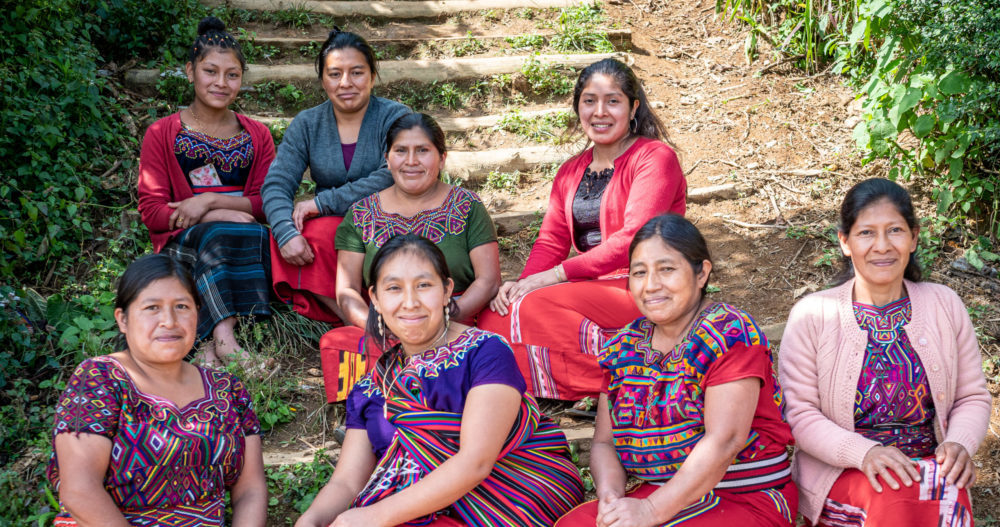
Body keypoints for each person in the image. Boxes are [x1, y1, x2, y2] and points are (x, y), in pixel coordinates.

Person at [295, 234, 583, 527]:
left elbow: (476, 462)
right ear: (376, 300)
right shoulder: (371, 387)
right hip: (413, 512)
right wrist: (312, 520)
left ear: (447, 291)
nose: (410, 302)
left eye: (424, 285)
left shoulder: (485, 352)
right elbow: (345, 483)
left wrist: (370, 517)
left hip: (512, 503)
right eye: (394, 288)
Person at [557, 214, 797, 527]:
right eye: (639, 273)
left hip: (742, 498)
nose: (651, 285)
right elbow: (604, 443)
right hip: (654, 496)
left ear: (702, 274)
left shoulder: (729, 332)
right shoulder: (623, 346)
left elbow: (725, 440)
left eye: (667, 269)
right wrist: (611, 496)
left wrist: (650, 511)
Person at [778, 178, 991, 526]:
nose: (882, 246)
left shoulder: (944, 305)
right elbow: (800, 414)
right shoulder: (813, 315)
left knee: (943, 487)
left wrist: (958, 444)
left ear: (914, 238)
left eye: (894, 230)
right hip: (845, 470)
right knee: (892, 494)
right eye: (866, 233)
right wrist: (865, 454)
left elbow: (972, 396)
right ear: (844, 242)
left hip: (929, 465)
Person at [478, 58, 686, 401]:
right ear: (578, 107)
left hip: (645, 281)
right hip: (591, 285)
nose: (599, 111)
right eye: (589, 100)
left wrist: (556, 276)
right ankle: (577, 381)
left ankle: (628, 382)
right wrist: (522, 284)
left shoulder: (654, 158)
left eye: (613, 101)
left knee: (532, 309)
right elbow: (551, 240)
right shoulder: (571, 171)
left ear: (633, 107)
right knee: (494, 316)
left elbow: (635, 238)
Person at [47, 254, 266, 526]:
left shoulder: (228, 390)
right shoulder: (100, 378)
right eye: (152, 308)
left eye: (182, 306)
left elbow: (250, 492)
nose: (169, 321)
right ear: (123, 319)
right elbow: (80, 491)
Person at [319, 113, 501, 402]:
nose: (411, 161)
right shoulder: (361, 214)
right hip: (389, 326)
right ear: (387, 159)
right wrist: (384, 325)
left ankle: (436, 404)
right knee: (338, 343)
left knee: (489, 340)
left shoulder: (467, 206)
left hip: (456, 321)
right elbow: (347, 291)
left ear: (441, 158)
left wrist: (445, 318)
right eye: (401, 151)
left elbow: (488, 280)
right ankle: (376, 408)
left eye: (423, 151)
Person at [137, 16, 275, 367]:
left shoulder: (257, 135)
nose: (221, 83)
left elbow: (265, 202)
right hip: (184, 244)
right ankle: (223, 337)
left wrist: (210, 201)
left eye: (232, 75)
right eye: (210, 71)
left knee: (234, 230)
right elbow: (153, 212)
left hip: (244, 241)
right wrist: (215, 214)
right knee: (218, 230)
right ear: (190, 71)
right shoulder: (162, 133)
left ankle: (210, 346)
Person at [262, 28, 410, 323]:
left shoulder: (396, 117)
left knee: (348, 236)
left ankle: (391, 317)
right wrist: (284, 231)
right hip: (334, 227)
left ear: (372, 74)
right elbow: (277, 184)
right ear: (322, 79)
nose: (346, 83)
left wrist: (322, 202)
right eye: (334, 74)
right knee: (295, 238)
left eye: (356, 72)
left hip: (390, 216)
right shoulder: (307, 124)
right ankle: (357, 319)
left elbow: (392, 175)